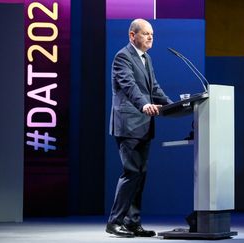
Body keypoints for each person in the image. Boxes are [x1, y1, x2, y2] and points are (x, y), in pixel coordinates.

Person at [106, 18, 172, 238]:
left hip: (143, 125)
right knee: (131, 172)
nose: (151, 37)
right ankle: (115, 222)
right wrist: (144, 104)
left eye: (152, 34)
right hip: (128, 124)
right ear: (132, 36)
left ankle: (132, 222)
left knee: (140, 174)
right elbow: (129, 86)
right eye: (145, 33)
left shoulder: (147, 59)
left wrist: (173, 106)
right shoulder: (122, 57)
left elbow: (154, 88)